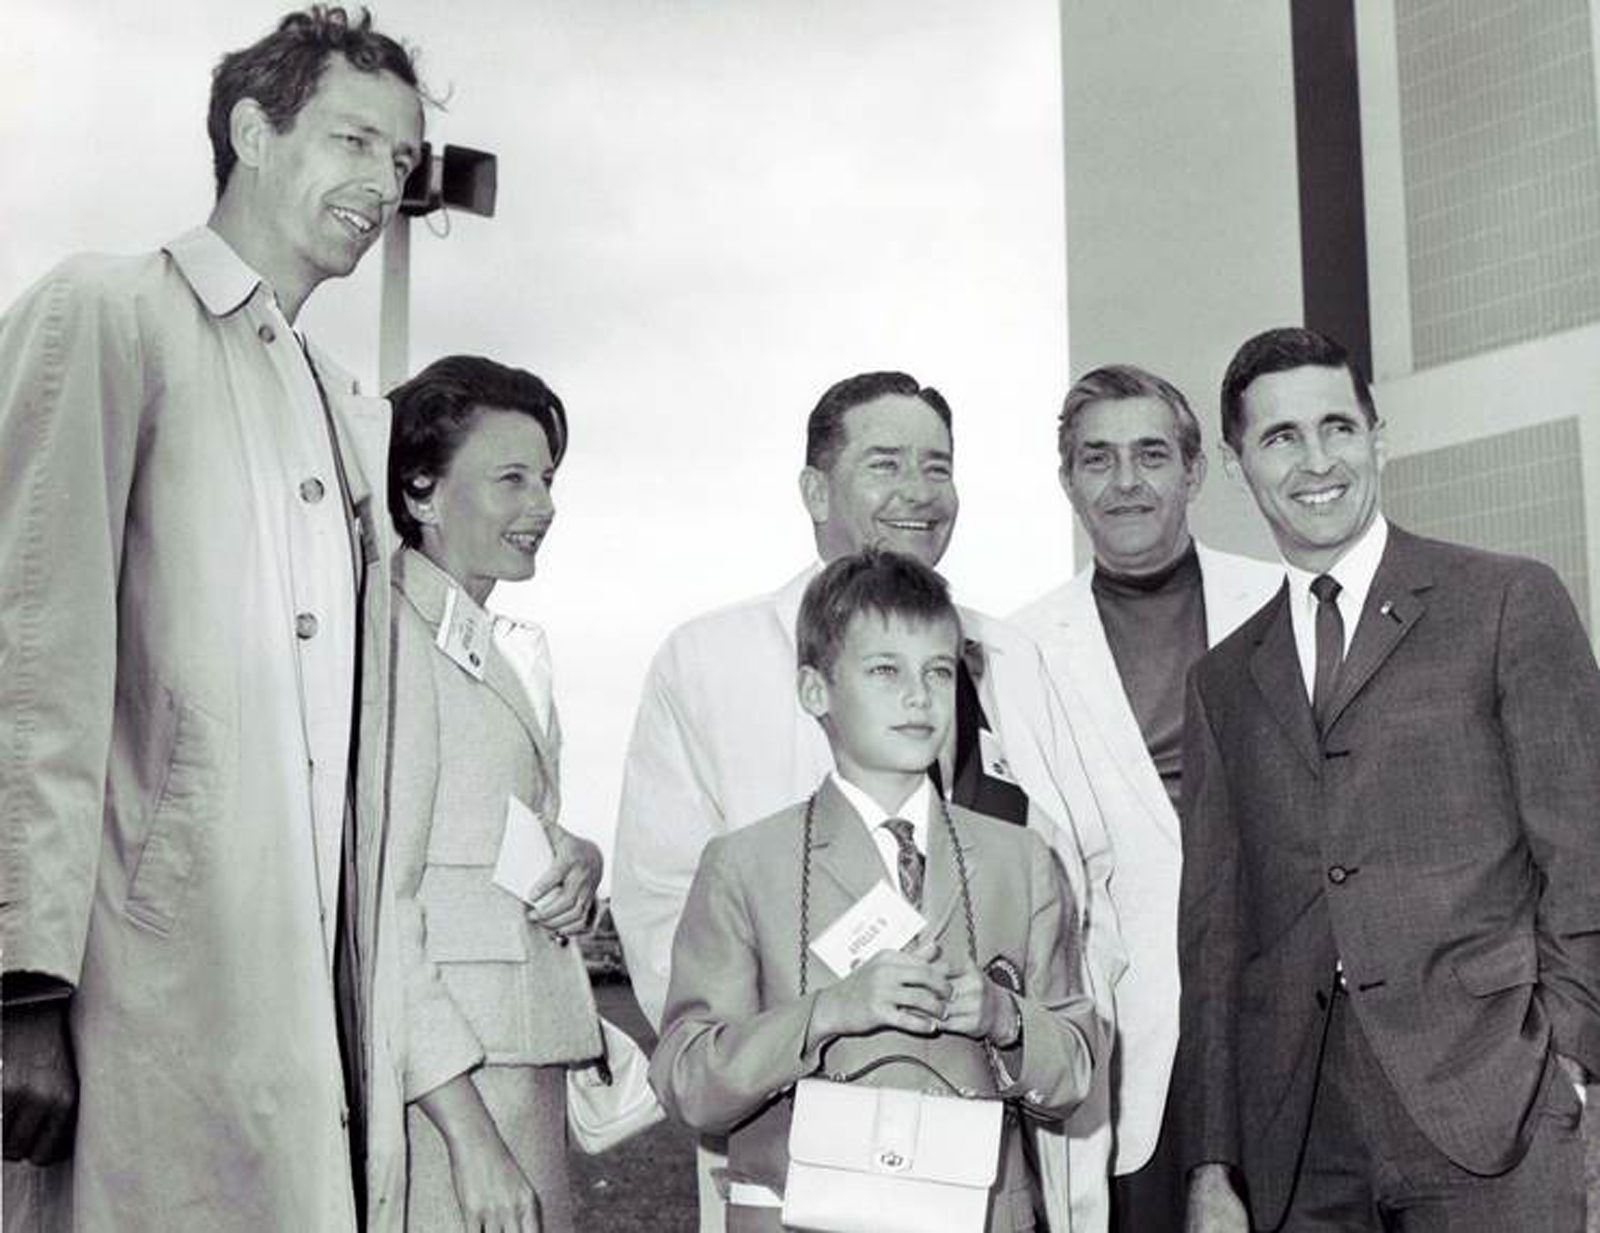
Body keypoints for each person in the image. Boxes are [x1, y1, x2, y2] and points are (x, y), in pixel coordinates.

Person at [0, 8, 425, 1231]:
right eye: (354, 141)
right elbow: (30, 650)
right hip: (133, 993)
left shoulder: (341, 402)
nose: (384, 184)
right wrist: (22, 987)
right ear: (252, 132)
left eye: (403, 159)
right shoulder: (108, 309)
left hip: (302, 1011)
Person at [612, 370, 1126, 1231]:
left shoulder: (1010, 656)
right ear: (816, 490)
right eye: (886, 463)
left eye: (938, 465)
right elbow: (664, 920)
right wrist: (816, 1030)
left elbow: (1073, 898)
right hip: (801, 1165)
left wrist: (1004, 1019)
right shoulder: (707, 661)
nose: (919, 491)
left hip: (985, 1163)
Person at [1179, 326, 1600, 1231]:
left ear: (1378, 437)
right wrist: (1213, 1160)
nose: (1316, 460)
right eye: (1281, 437)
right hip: (1297, 1138)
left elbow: (1585, 852)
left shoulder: (1505, 601)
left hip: (1496, 1102)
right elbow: (1214, 940)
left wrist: (1570, 1055)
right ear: (1237, 464)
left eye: (1338, 426)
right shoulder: (1221, 682)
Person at [651, 548, 1100, 1231]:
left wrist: (1005, 1018)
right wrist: (827, 1012)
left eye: (938, 670)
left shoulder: (1023, 860)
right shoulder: (744, 865)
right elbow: (687, 1083)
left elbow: (1074, 1072)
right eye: (885, 669)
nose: (919, 695)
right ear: (815, 690)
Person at [1011, 365, 1280, 1232]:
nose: (1125, 481)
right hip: (1129, 1042)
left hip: (1286, 1021)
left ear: (1194, 471)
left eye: (1152, 455)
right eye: (1098, 459)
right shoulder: (1015, 650)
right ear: (1067, 480)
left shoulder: (1281, 600)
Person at [385, 355, 606, 1233]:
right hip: (451, 1093)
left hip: (516, 1069)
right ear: (422, 492)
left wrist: (579, 858)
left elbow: (490, 833)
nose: (542, 504)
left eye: (546, 479)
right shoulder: (392, 641)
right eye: (511, 478)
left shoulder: (487, 640)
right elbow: (382, 911)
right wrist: (469, 1138)